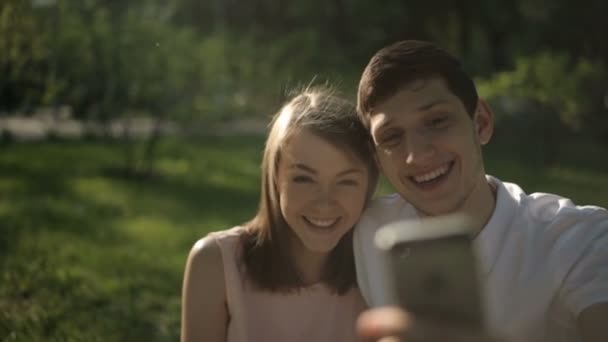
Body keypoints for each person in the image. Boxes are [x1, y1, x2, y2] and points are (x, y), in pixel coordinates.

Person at [352, 40, 608, 342]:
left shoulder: (580, 239)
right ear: (376, 159)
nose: (417, 155)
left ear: (481, 122)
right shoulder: (366, 230)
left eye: (436, 121)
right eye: (392, 137)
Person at [180, 87, 379, 342]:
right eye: (304, 179)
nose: (324, 203)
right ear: (275, 178)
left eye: (346, 181)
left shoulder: (379, 269)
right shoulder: (215, 263)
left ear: (369, 185)